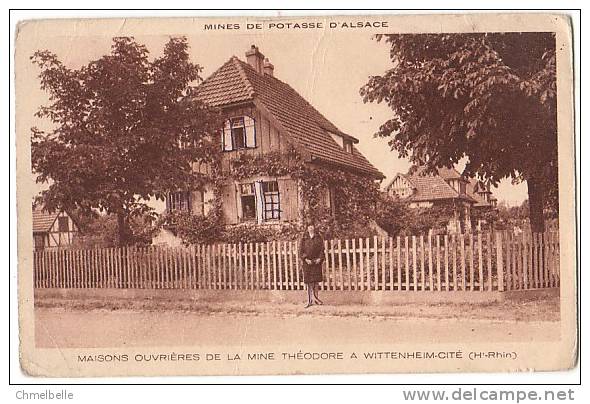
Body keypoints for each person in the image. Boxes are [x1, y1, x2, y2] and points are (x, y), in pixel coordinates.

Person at [298, 222, 325, 308]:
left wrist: (319, 259)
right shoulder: (304, 238)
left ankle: (316, 299)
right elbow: (301, 251)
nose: (311, 228)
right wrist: (305, 259)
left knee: (316, 281)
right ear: (307, 228)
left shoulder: (319, 238)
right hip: (307, 263)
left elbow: (322, 250)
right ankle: (309, 301)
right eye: (309, 227)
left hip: (316, 262)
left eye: (312, 226)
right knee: (309, 282)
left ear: (314, 227)